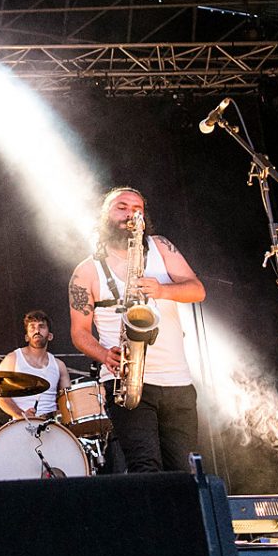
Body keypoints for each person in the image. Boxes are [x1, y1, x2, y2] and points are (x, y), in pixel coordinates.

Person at [68, 187, 205, 473]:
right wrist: (104, 355)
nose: (130, 213)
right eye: (121, 206)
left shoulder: (160, 246)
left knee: (184, 472)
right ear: (105, 214)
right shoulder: (86, 270)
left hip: (177, 381)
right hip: (128, 382)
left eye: (136, 208)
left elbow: (197, 290)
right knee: (146, 468)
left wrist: (161, 289)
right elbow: (79, 332)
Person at [0, 310, 71, 422]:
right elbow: (1, 397)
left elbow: (68, 399)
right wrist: (22, 415)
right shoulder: (12, 359)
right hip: (22, 425)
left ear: (50, 336)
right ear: (26, 337)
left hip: (52, 427)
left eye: (41, 326)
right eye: (32, 327)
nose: (37, 331)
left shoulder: (59, 365)